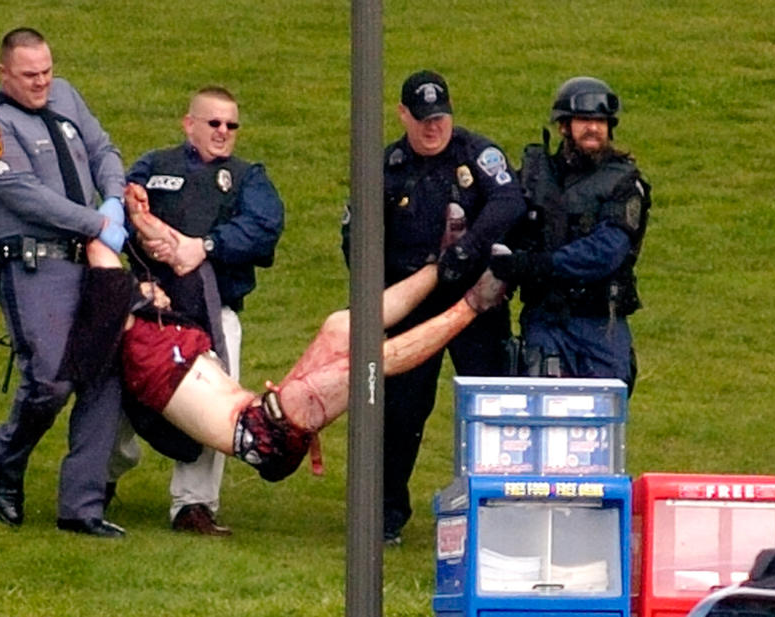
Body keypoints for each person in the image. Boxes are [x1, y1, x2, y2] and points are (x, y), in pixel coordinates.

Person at [64, 203, 507, 487]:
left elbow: (162, 243)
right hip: (260, 434)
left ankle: (442, 267)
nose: (158, 291)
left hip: (261, 408)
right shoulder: (118, 320)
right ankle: (474, 303)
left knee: (338, 328)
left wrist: (132, 205)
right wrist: (102, 212)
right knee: (367, 366)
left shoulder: (153, 319)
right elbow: (100, 243)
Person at [341, 70, 526, 544]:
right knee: (400, 413)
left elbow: (509, 201)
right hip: (412, 307)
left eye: (440, 117)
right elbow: (355, 238)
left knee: (491, 407)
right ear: (403, 115)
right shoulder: (387, 167)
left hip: (475, 303)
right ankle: (384, 517)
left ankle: (497, 511)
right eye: (422, 119)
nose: (432, 128)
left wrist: (469, 251)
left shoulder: (475, 153)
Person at [0, 27, 129, 538]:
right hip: (37, 265)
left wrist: (115, 197)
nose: (41, 83)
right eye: (30, 75)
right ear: (4, 73)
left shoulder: (67, 96)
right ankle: (8, 458)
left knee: (104, 374)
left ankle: (82, 506)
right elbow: (23, 193)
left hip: (93, 258)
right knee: (51, 379)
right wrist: (97, 222)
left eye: (47, 71)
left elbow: (103, 149)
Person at [109, 86, 284, 536]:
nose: (223, 132)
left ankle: (194, 506)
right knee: (117, 397)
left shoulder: (248, 177)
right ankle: (100, 479)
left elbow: (264, 227)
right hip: (149, 311)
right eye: (214, 123)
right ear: (189, 124)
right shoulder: (153, 166)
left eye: (232, 125)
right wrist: (142, 226)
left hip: (213, 314)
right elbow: (115, 215)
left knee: (217, 409)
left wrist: (202, 247)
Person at [490, 76, 651, 393]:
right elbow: (504, 222)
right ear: (564, 126)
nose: (593, 128)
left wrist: (537, 264)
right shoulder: (535, 176)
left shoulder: (624, 183)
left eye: (601, 121)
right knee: (541, 416)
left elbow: (606, 252)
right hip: (544, 320)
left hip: (599, 326)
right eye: (584, 120)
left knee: (601, 423)